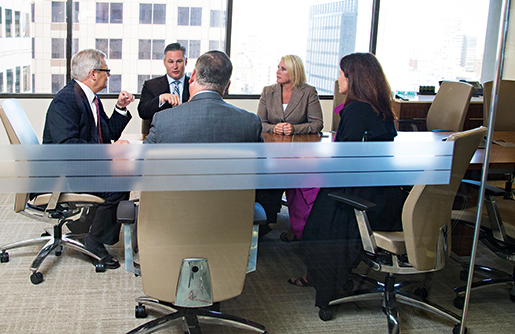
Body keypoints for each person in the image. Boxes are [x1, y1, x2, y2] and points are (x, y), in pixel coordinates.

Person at [289, 53, 405, 312]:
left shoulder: (355, 110)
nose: (338, 79)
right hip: (384, 197)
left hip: (360, 199)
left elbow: (344, 163)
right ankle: (323, 277)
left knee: (316, 227)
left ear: (354, 79)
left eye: (341, 74)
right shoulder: (382, 109)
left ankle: (323, 286)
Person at [42, 48, 135, 269]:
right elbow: (68, 148)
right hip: (63, 175)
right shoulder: (65, 101)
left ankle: (86, 224)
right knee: (119, 183)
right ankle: (94, 241)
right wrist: (110, 153)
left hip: (81, 166)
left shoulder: (91, 99)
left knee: (124, 172)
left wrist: (121, 108)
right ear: (93, 74)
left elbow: (107, 134)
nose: (108, 75)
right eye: (106, 70)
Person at [256, 54, 324, 240]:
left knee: (301, 184)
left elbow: (317, 124)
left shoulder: (308, 92)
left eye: (283, 69)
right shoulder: (268, 91)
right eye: (278, 67)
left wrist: (294, 129)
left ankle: (300, 224)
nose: (277, 72)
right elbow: (259, 123)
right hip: (272, 151)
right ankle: (266, 220)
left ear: (294, 72)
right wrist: (274, 127)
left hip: (300, 153)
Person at [143, 50, 262, 144]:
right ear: (227, 87)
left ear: (193, 75)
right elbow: (262, 168)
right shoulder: (251, 123)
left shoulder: (163, 120)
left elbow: (143, 164)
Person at [137, 42, 191, 123]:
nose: (175, 66)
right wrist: (161, 99)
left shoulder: (195, 85)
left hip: (188, 132)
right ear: (164, 62)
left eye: (179, 61)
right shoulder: (151, 86)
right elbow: (143, 113)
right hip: (161, 133)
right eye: (171, 62)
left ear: (186, 62)